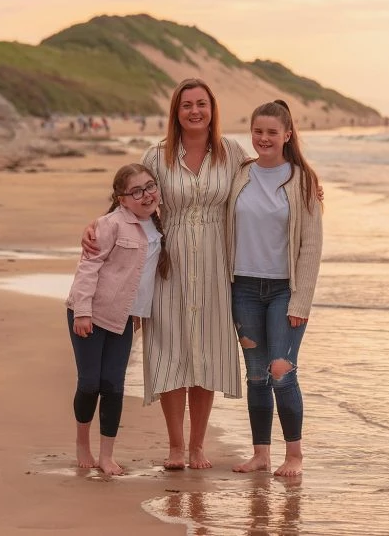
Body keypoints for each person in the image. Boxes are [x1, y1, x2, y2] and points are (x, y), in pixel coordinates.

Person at [83, 78, 250, 470]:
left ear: (212, 109)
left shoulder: (234, 153)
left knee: (205, 353)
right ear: (176, 112)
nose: (195, 111)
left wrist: (308, 186)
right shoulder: (157, 156)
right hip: (165, 263)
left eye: (201, 104)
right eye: (186, 105)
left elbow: (265, 186)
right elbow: (127, 201)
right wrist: (95, 226)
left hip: (215, 264)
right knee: (171, 350)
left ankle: (197, 447)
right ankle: (175, 446)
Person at [226, 100, 323, 477]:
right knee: (255, 375)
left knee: (282, 370)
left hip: (285, 290)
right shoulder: (241, 174)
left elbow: (311, 247)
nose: (263, 138)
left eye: (271, 132)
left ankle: (294, 456)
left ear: (287, 135)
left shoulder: (302, 180)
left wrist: (301, 300)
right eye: (257, 131)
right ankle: (261, 454)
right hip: (245, 288)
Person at [66, 163, 169, 475]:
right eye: (136, 192)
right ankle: (82, 444)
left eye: (150, 186)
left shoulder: (160, 223)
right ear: (122, 199)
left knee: (113, 385)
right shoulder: (110, 225)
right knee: (90, 383)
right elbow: (88, 266)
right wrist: (83, 312)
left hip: (123, 319)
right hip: (90, 312)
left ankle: (107, 454)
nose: (146, 195)